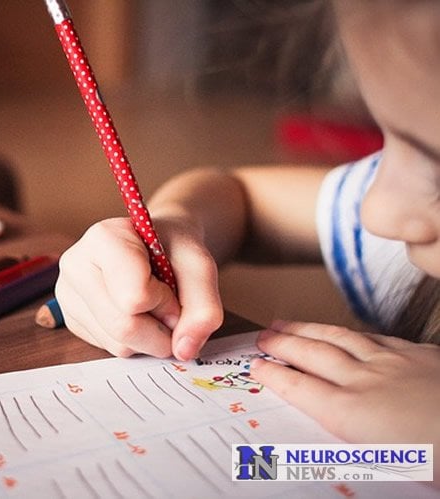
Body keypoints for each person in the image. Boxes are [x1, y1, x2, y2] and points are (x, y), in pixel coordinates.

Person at [55, 0, 440, 481]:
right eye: (385, 142)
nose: (374, 209)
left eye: (436, 166)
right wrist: (177, 225)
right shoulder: (403, 227)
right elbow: (241, 198)